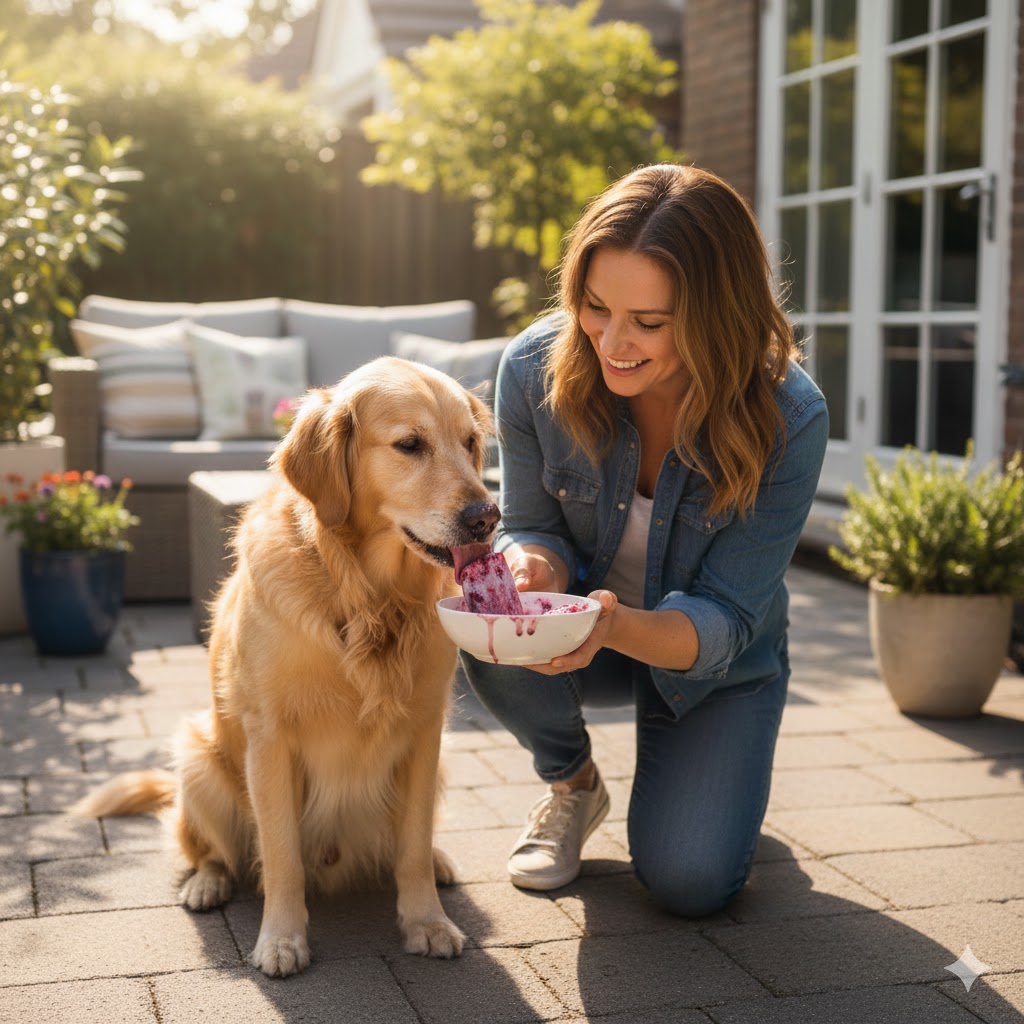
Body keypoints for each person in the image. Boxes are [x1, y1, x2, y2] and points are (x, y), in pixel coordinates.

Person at [461, 163, 829, 916]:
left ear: (716, 314)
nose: (613, 341)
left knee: (689, 883)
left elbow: (726, 619)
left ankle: (717, 796)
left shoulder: (790, 416)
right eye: (595, 307)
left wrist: (616, 627)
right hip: (580, 634)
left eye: (649, 322)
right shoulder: (534, 368)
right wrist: (530, 566)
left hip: (709, 662)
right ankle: (574, 787)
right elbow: (532, 523)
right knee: (484, 637)